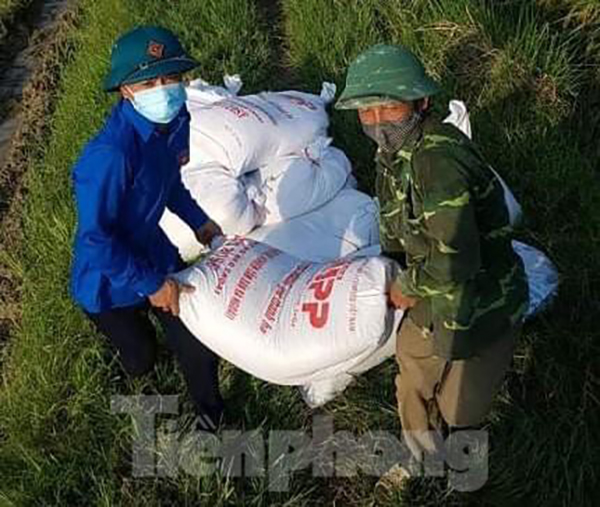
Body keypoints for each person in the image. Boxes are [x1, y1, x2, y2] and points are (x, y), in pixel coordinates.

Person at [335, 44, 529, 487]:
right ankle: (420, 457)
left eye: (390, 107)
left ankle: (461, 466)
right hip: (431, 290)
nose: (378, 122)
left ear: (421, 102)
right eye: (367, 111)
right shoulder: (394, 154)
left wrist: (407, 286)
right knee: (412, 375)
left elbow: (457, 256)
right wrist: (391, 272)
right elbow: (395, 223)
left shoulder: (438, 162)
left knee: (462, 408)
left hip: (482, 299)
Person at [70, 26, 224, 430]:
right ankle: (134, 364)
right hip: (108, 279)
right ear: (126, 90)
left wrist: (199, 222)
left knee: (195, 338)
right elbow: (95, 239)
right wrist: (150, 283)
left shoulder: (176, 119)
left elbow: (169, 183)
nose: (163, 90)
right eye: (148, 83)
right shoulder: (110, 155)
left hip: (153, 252)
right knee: (141, 359)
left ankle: (211, 416)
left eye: (170, 78)